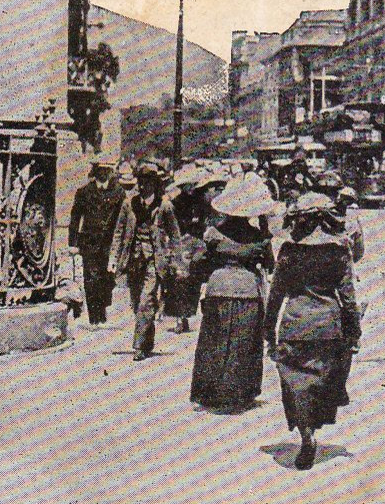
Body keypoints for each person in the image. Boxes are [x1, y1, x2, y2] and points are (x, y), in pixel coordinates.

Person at [267, 193, 362, 472]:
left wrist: (267, 331)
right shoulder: (339, 250)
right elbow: (348, 298)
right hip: (327, 325)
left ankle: (305, 432)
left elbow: (275, 295)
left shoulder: (288, 251)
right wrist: (354, 332)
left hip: (294, 323)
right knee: (320, 381)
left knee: (295, 383)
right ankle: (313, 428)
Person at [189, 175, 277, 412]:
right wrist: (264, 227)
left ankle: (210, 392)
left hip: (218, 288)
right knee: (244, 343)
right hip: (247, 289)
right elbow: (271, 264)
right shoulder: (258, 238)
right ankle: (239, 393)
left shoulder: (214, 234)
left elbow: (199, 263)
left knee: (214, 340)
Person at [108, 163, 179, 361]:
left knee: (146, 300)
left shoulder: (164, 206)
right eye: (141, 181)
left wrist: (175, 260)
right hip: (133, 260)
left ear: (155, 184)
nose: (143, 185)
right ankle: (147, 341)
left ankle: (139, 346)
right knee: (137, 302)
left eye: (147, 181)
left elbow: (175, 235)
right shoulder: (129, 205)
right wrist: (113, 259)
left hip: (154, 261)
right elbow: (119, 232)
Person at [68, 160, 126, 327]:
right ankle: (95, 317)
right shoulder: (84, 192)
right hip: (89, 242)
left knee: (107, 279)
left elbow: (124, 218)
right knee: (91, 279)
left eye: (107, 170)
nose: (104, 173)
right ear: (95, 171)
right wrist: (72, 243)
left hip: (109, 244)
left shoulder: (118, 192)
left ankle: (102, 309)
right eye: (100, 170)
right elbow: (75, 218)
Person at [165, 166, 220, 334]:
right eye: (185, 186)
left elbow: (208, 217)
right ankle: (180, 318)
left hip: (199, 241)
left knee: (196, 280)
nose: (188, 189)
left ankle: (192, 313)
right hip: (181, 241)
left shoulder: (201, 199)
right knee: (180, 279)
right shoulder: (175, 203)